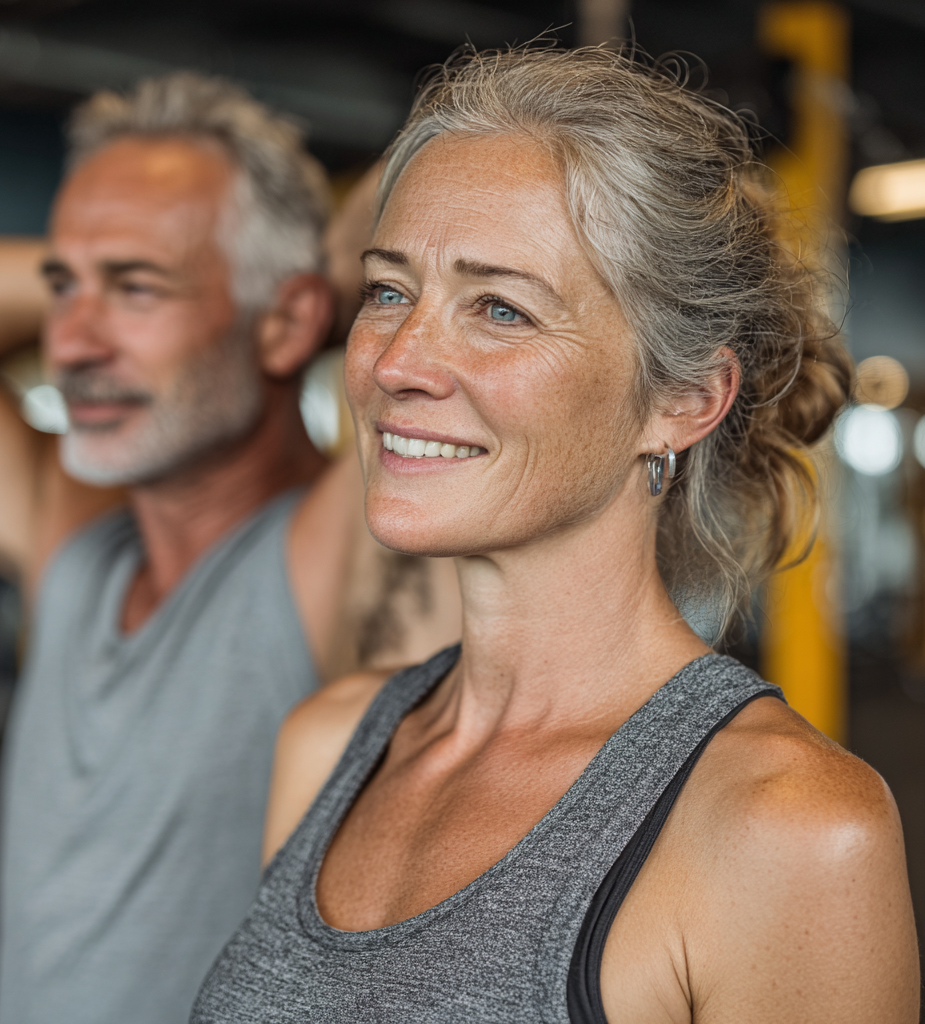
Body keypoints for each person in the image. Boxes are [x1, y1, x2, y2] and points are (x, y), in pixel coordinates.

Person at [192, 47, 920, 1024]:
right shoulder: (329, 746)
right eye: (388, 290)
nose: (399, 361)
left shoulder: (785, 824)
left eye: (499, 308)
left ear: (682, 399)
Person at [0, 74, 457, 1024]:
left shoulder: (334, 548)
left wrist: (313, 283)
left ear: (287, 320)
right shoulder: (72, 541)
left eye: (136, 288)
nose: (71, 343)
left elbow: (442, 171)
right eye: (60, 290)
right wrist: (125, 256)